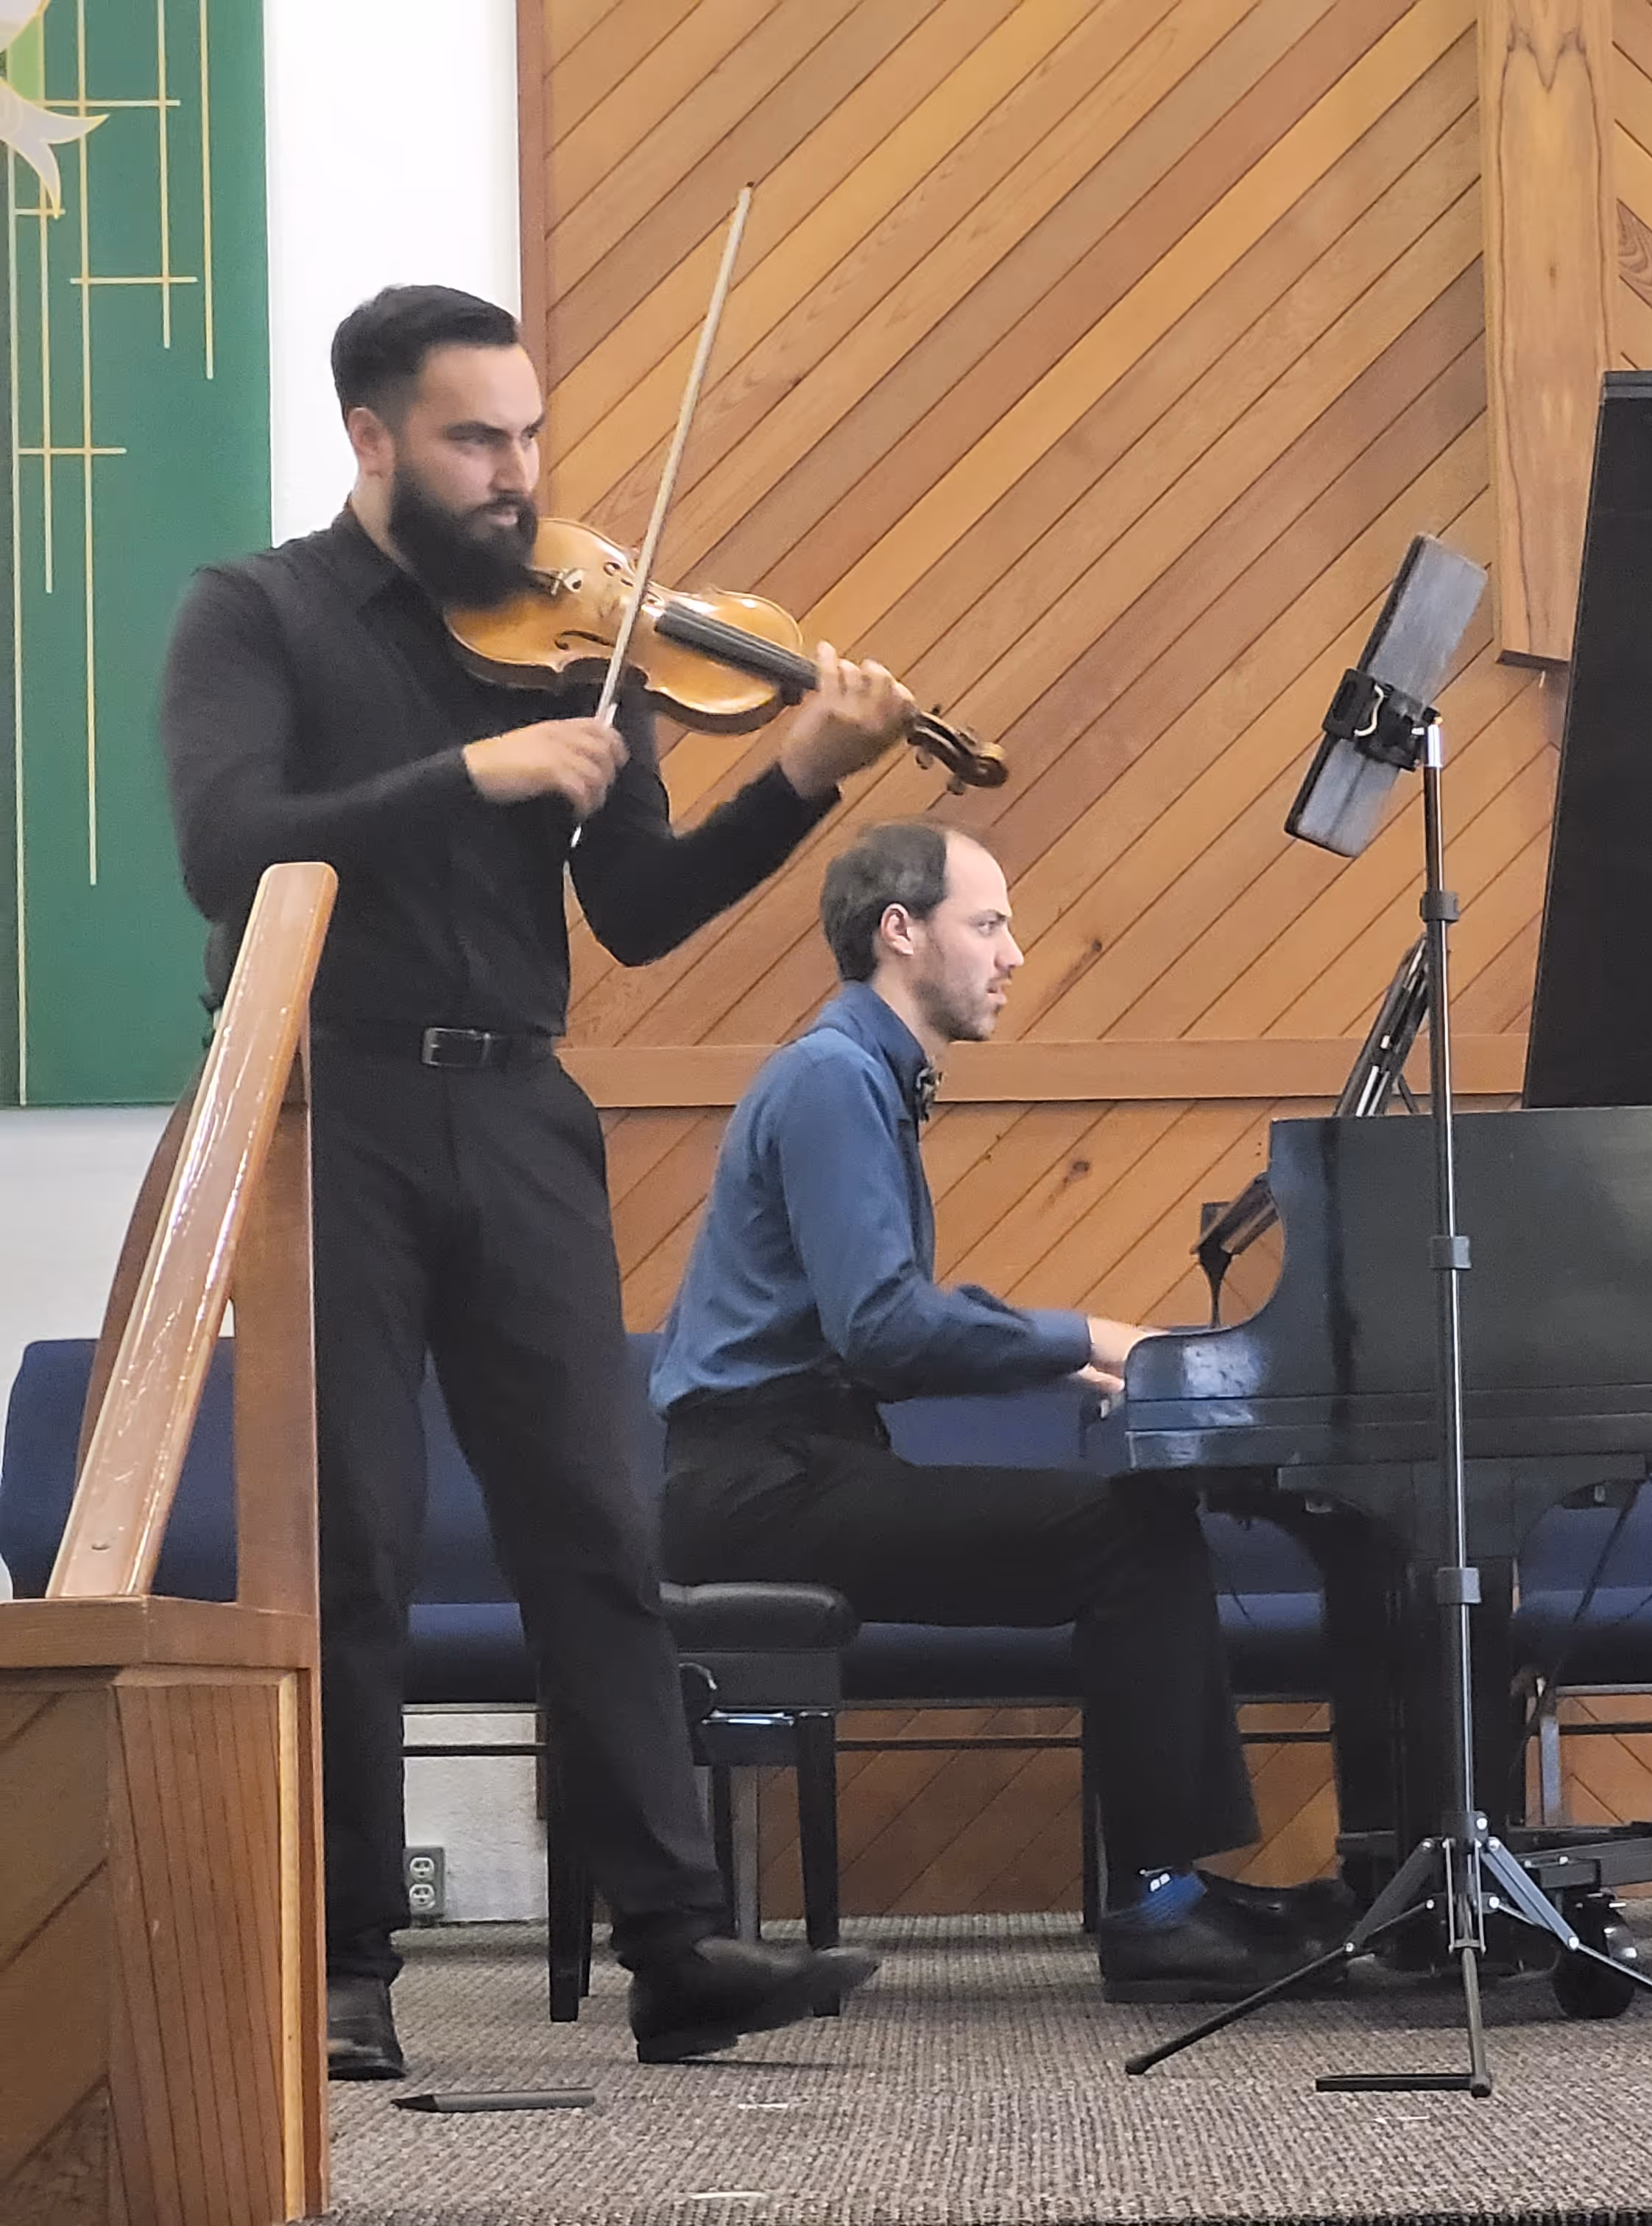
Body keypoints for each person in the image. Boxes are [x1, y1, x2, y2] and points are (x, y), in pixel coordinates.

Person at [159, 284, 898, 2076]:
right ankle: (345, 1969)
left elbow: (635, 916)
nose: (519, 478)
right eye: (477, 439)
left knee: (599, 1527)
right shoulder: (251, 615)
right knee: (352, 1545)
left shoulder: (585, 643)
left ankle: (674, 1948)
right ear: (373, 439)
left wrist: (798, 776)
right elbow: (222, 848)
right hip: (327, 1110)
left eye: (531, 438)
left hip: (519, 1116)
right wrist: (469, 771)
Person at [649, 819, 1347, 2001]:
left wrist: (1051, 1357)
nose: (1014, 953)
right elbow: (882, 1327)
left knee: (1134, 1532)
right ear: (900, 931)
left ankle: (1169, 1885)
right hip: (756, 1489)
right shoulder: (833, 1079)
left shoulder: (854, 1073)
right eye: (990, 923)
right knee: (1132, 1538)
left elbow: (884, 1313)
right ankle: (1156, 1905)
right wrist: (1085, 1337)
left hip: (780, 1469)